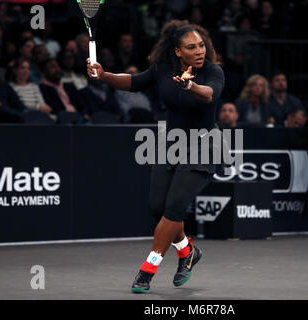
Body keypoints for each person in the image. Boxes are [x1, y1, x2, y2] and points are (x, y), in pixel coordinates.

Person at [87, 20, 225, 294]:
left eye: (200, 45)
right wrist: (104, 76)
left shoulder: (213, 70)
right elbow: (134, 82)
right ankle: (187, 251)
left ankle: (147, 270)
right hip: (172, 145)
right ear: (177, 52)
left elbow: (209, 95)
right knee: (157, 208)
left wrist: (191, 87)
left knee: (174, 209)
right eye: (191, 47)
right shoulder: (163, 69)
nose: (199, 51)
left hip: (205, 147)